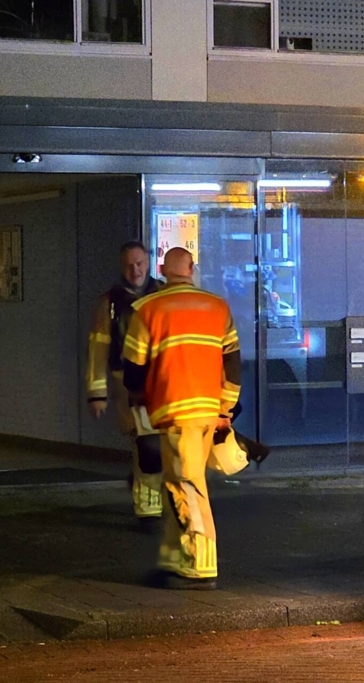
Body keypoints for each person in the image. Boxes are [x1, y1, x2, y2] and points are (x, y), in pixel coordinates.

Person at [122, 247, 241, 590]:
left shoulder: (147, 310)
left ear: (162, 269)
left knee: (185, 487)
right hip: (208, 413)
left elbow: (133, 370)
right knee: (186, 483)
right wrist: (225, 409)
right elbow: (232, 362)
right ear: (191, 268)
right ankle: (175, 559)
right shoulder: (218, 307)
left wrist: (140, 406)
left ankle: (199, 566)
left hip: (175, 413)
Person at [85, 241, 164, 523]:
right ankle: (149, 511)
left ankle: (150, 488)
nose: (136, 269)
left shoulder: (164, 295)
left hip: (165, 384)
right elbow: (98, 348)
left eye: (140, 263)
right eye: (130, 265)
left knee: (157, 447)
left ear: (149, 262)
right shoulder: (110, 303)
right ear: (122, 267)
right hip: (130, 386)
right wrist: (97, 393)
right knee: (148, 445)